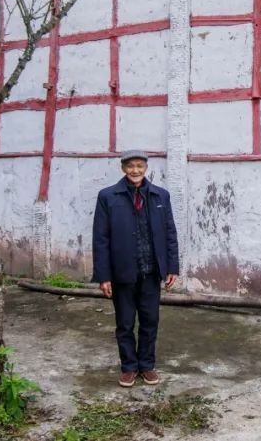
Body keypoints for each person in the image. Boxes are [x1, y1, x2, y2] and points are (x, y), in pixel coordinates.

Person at [92, 150, 180, 387]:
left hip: (151, 272)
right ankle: (129, 367)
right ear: (123, 168)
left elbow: (170, 233)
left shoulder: (161, 196)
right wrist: (104, 276)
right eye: (130, 166)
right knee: (125, 323)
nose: (135, 171)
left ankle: (147, 365)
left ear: (146, 168)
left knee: (150, 321)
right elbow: (100, 239)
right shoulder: (108, 196)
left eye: (140, 166)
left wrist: (172, 267)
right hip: (123, 273)